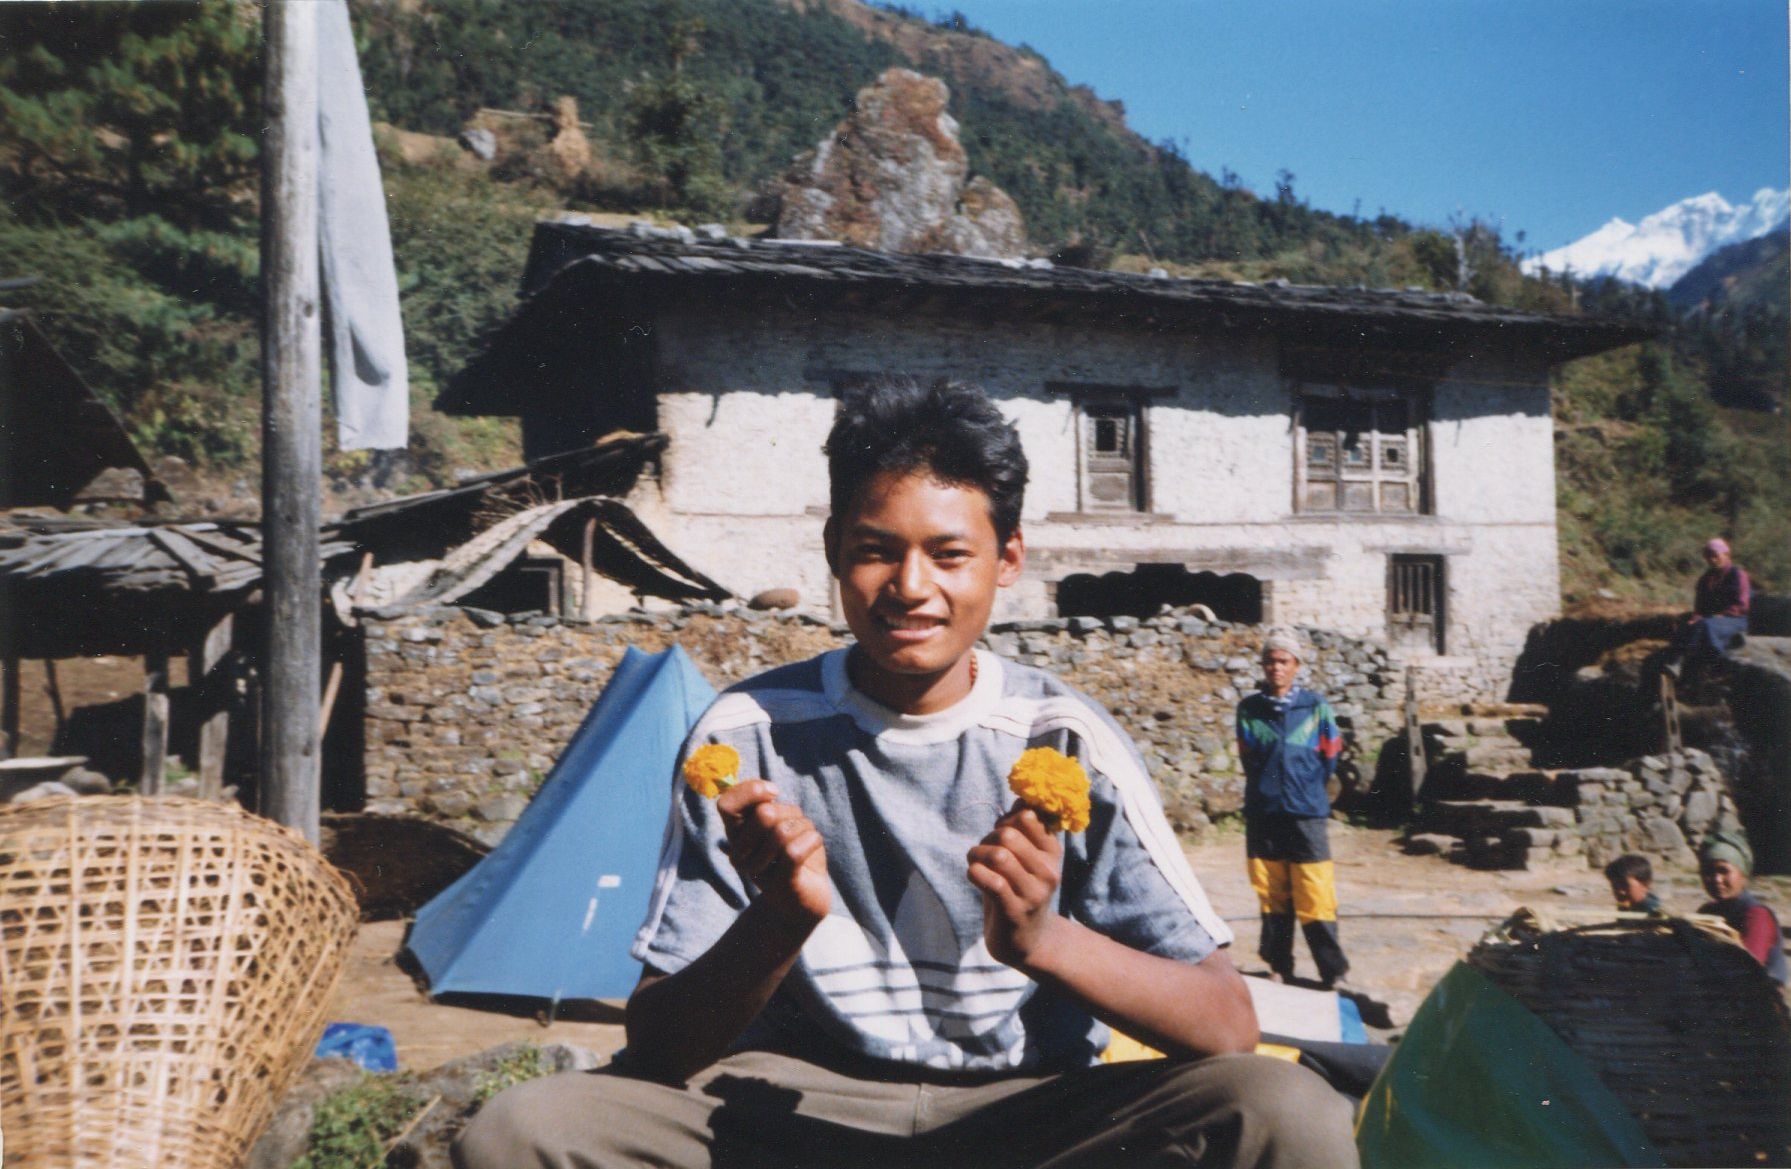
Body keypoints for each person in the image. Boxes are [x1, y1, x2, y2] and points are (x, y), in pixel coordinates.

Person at [455, 378, 1357, 1169]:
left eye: (949, 553)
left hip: (1028, 1111)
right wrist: (778, 917)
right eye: (877, 548)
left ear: (1007, 561)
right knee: (522, 1131)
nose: (910, 585)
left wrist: (1043, 940)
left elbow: (1225, 1022)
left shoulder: (1065, 737)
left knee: (1285, 1113)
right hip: (792, 1111)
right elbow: (652, 1042)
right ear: (834, 552)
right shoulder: (749, 737)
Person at [1234, 629, 1350, 991]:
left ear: (1296, 665)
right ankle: (1278, 965)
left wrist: (1305, 786)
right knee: (1272, 892)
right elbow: (1249, 758)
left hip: (1306, 812)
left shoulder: (1315, 708)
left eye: (1283, 661)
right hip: (1264, 813)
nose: (1276, 668)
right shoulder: (1250, 710)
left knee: (1315, 892)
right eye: (1270, 661)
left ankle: (1331, 972)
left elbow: (1331, 756)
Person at [1696, 830, 1787, 985]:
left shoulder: (1757, 916)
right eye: (1709, 872)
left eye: (1723, 871)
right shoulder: (1706, 911)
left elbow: (1747, 969)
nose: (1716, 879)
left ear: (1743, 875)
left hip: (1755, 999)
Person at [1670, 538, 1751, 671]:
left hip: (1733, 619)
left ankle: (1681, 659)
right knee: (1682, 622)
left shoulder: (1738, 575)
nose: (1712, 559)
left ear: (1726, 555)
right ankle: (1675, 655)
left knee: (1706, 625)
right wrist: (1695, 617)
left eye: (1715, 555)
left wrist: (1720, 615)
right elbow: (1699, 605)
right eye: (1708, 556)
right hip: (1710, 617)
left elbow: (1742, 605)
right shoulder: (1705, 579)